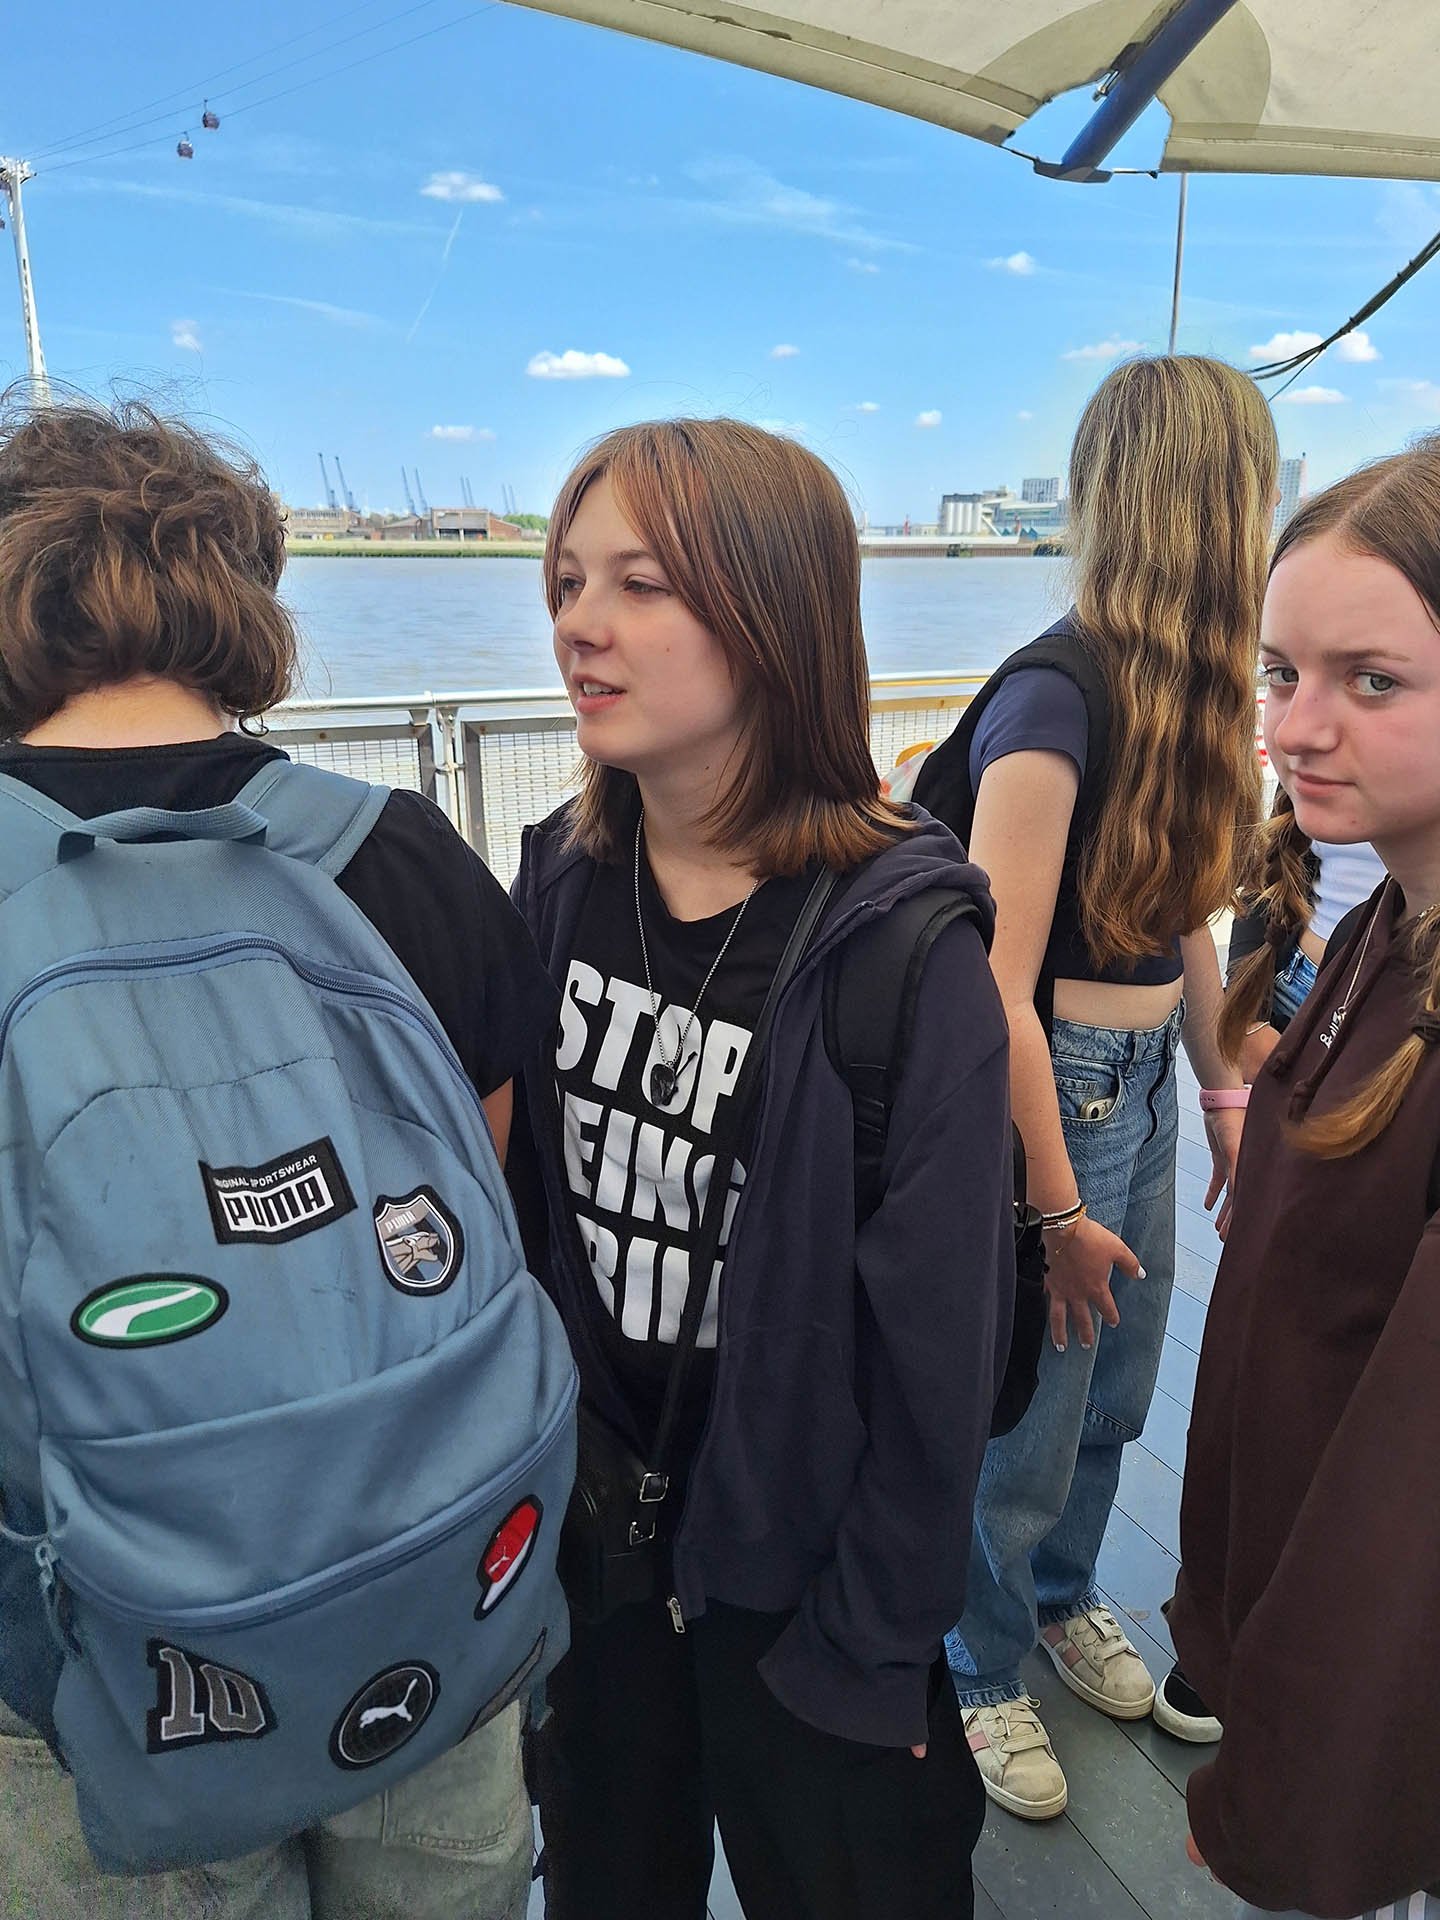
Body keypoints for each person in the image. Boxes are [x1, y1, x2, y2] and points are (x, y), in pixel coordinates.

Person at [0, 398, 558, 1919]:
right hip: (430, 1588)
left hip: (108, 1654)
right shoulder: (400, 854)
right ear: (241, 595)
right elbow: (478, 1210)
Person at [515, 417, 1015, 1919]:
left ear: (772, 615)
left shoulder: (903, 951)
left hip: (803, 1590)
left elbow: (940, 1355)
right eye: (567, 580)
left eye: (641, 583)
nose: (579, 623)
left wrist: (871, 1647)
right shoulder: (558, 883)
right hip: (600, 1554)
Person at [913, 354, 1278, 1818]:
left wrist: (1227, 1100)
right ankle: (980, 1658)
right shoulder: (1053, 701)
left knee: (1117, 1387)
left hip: (1143, 1077)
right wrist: (1053, 1211)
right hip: (1047, 1088)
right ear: (1216, 507)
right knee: (1034, 1404)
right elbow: (994, 990)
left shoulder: (1189, 701)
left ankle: (1063, 1600)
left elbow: (1186, 919)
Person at [1172, 435, 1440, 1917]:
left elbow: (1408, 1497)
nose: (1295, 729)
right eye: (1281, 675)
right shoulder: (1377, 938)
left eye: (1373, 680)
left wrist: (1281, 1791)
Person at [1151, 821, 1388, 1747]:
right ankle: (1227, 1621)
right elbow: (1271, 863)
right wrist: (1253, 1036)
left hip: (1393, 1012)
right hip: (1308, 1000)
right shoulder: (1292, 835)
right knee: (1263, 1356)